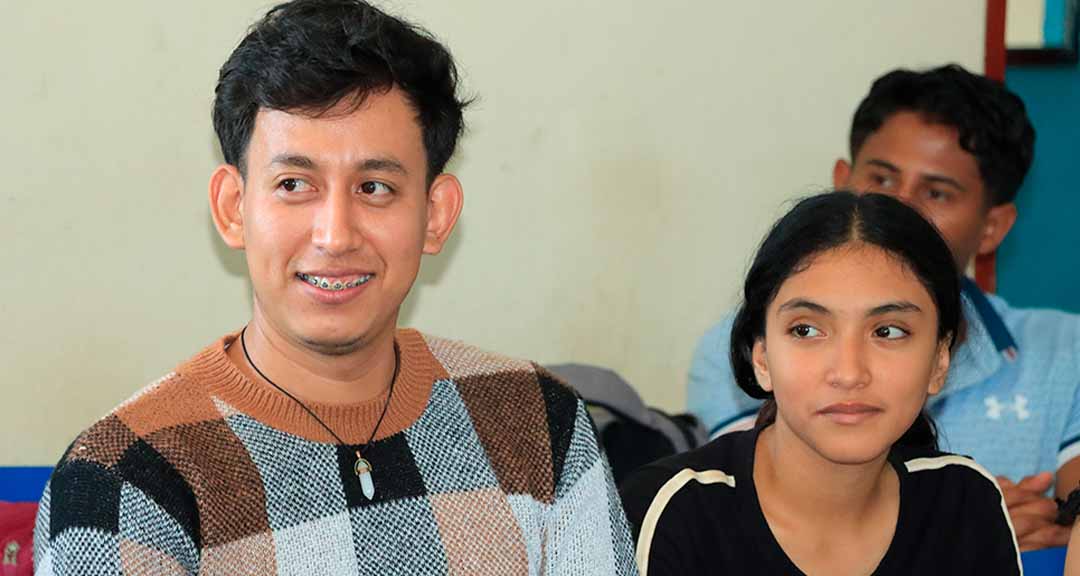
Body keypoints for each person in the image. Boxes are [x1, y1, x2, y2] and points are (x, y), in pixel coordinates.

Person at [32, 1, 637, 574]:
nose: (335, 235)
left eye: (375, 188)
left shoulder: (537, 421)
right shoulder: (122, 477)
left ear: (435, 215)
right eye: (294, 185)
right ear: (233, 208)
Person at [687, 64, 1080, 550]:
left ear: (992, 227)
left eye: (936, 192)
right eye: (882, 178)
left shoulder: (1066, 351)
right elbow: (763, 514)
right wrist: (966, 525)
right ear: (841, 182)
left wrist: (1045, 523)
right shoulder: (754, 343)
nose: (901, 208)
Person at [623, 191, 1021, 575]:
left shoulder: (965, 507)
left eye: (887, 332)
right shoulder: (672, 514)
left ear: (939, 361)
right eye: (807, 330)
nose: (849, 373)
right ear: (761, 357)